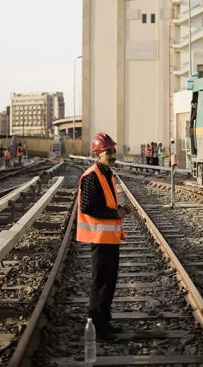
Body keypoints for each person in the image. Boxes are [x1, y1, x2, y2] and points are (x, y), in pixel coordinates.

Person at [78, 132, 131, 342]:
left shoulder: (106, 173)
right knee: (100, 282)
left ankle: (105, 321)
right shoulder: (92, 176)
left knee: (110, 281)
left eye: (112, 151)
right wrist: (115, 213)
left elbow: (106, 204)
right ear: (98, 153)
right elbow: (88, 207)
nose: (112, 155)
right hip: (99, 238)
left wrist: (119, 209)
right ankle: (97, 327)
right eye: (108, 152)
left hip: (110, 238)